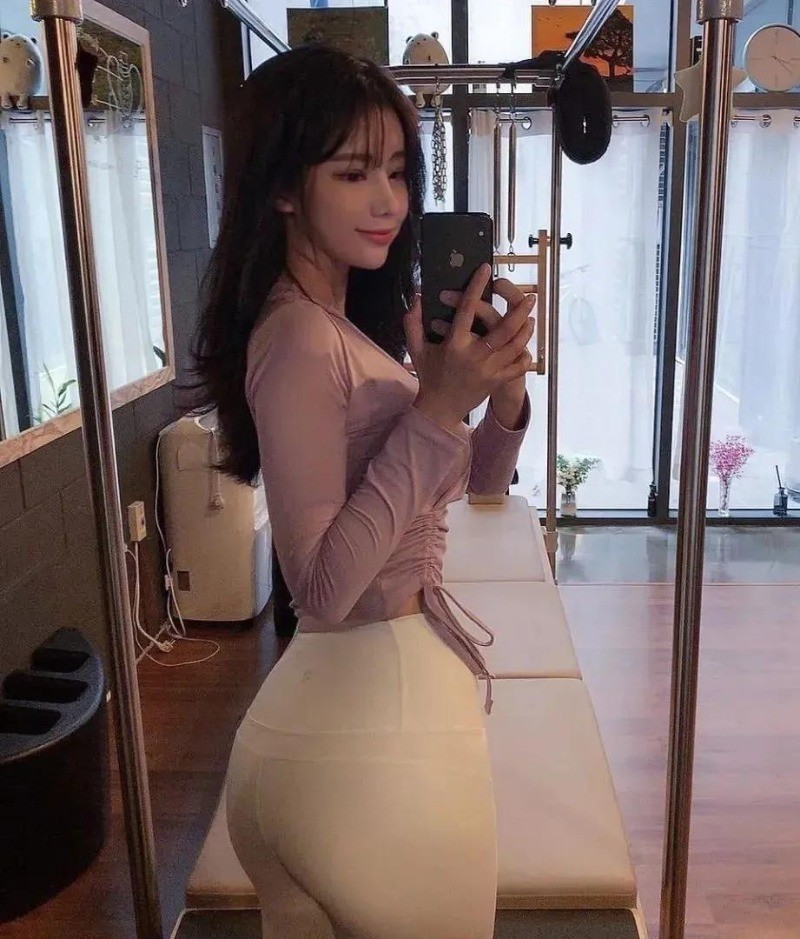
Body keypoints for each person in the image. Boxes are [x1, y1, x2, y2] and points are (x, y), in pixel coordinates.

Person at [192, 44, 534, 939]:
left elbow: (471, 489)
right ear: (282, 189)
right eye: (353, 174)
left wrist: (496, 400)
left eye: (397, 172)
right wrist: (438, 408)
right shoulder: (300, 338)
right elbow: (321, 586)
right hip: (374, 738)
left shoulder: (340, 328)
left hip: (326, 733)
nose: (389, 201)